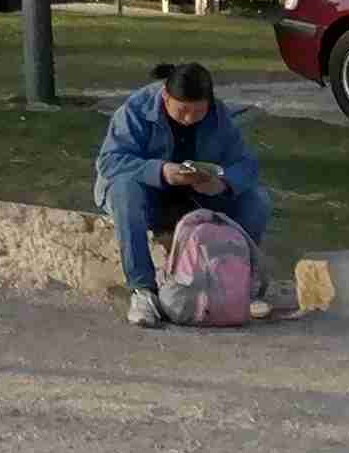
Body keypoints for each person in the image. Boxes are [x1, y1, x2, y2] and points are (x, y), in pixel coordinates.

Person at [96, 59, 271, 327]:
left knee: (256, 200)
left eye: (197, 111)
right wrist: (162, 171)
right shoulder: (136, 109)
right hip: (146, 194)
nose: (189, 119)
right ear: (166, 96)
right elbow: (110, 162)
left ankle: (237, 283)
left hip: (194, 196)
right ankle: (143, 291)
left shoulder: (218, 115)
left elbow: (246, 165)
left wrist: (222, 182)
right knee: (124, 191)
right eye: (182, 110)